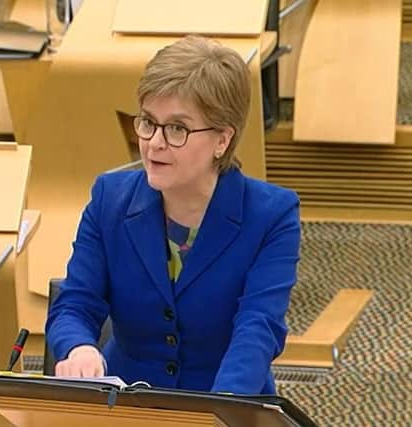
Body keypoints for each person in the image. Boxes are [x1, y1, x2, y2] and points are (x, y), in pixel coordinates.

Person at [45, 35, 301, 394]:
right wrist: (79, 346)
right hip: (125, 408)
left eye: (177, 128)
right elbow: (75, 304)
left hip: (225, 403)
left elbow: (257, 330)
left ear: (222, 140)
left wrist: (218, 410)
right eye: (148, 122)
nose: (155, 142)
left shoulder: (271, 215)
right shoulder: (109, 198)